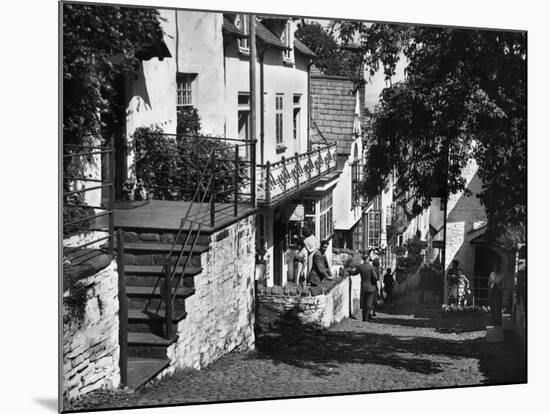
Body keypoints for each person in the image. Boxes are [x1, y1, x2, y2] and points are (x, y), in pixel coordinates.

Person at [350, 254, 379, 321]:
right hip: (371, 287)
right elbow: (375, 277)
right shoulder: (371, 267)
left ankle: (364, 317)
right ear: (368, 258)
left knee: (364, 303)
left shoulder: (360, 267)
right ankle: (366, 317)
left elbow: (354, 273)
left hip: (363, 286)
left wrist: (349, 271)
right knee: (369, 303)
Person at [488, 260, 505, 326]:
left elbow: (503, 285)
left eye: (497, 267)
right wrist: (489, 290)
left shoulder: (502, 275)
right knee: (492, 307)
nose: (495, 268)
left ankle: (498, 322)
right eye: (494, 266)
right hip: (492, 291)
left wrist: (499, 287)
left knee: (497, 307)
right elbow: (489, 283)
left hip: (498, 292)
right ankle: (493, 321)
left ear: (499, 267)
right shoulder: (492, 274)